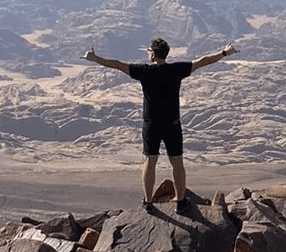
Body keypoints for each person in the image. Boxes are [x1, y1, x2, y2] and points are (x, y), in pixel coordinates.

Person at [83, 36, 237, 213]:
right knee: (177, 162)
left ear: (154, 55)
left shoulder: (144, 71)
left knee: (149, 161)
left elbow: (117, 64)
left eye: (149, 51)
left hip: (151, 125)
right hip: (172, 124)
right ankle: (180, 202)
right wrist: (224, 52)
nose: (147, 53)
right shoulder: (176, 69)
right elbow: (202, 62)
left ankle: (148, 203)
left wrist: (95, 59)